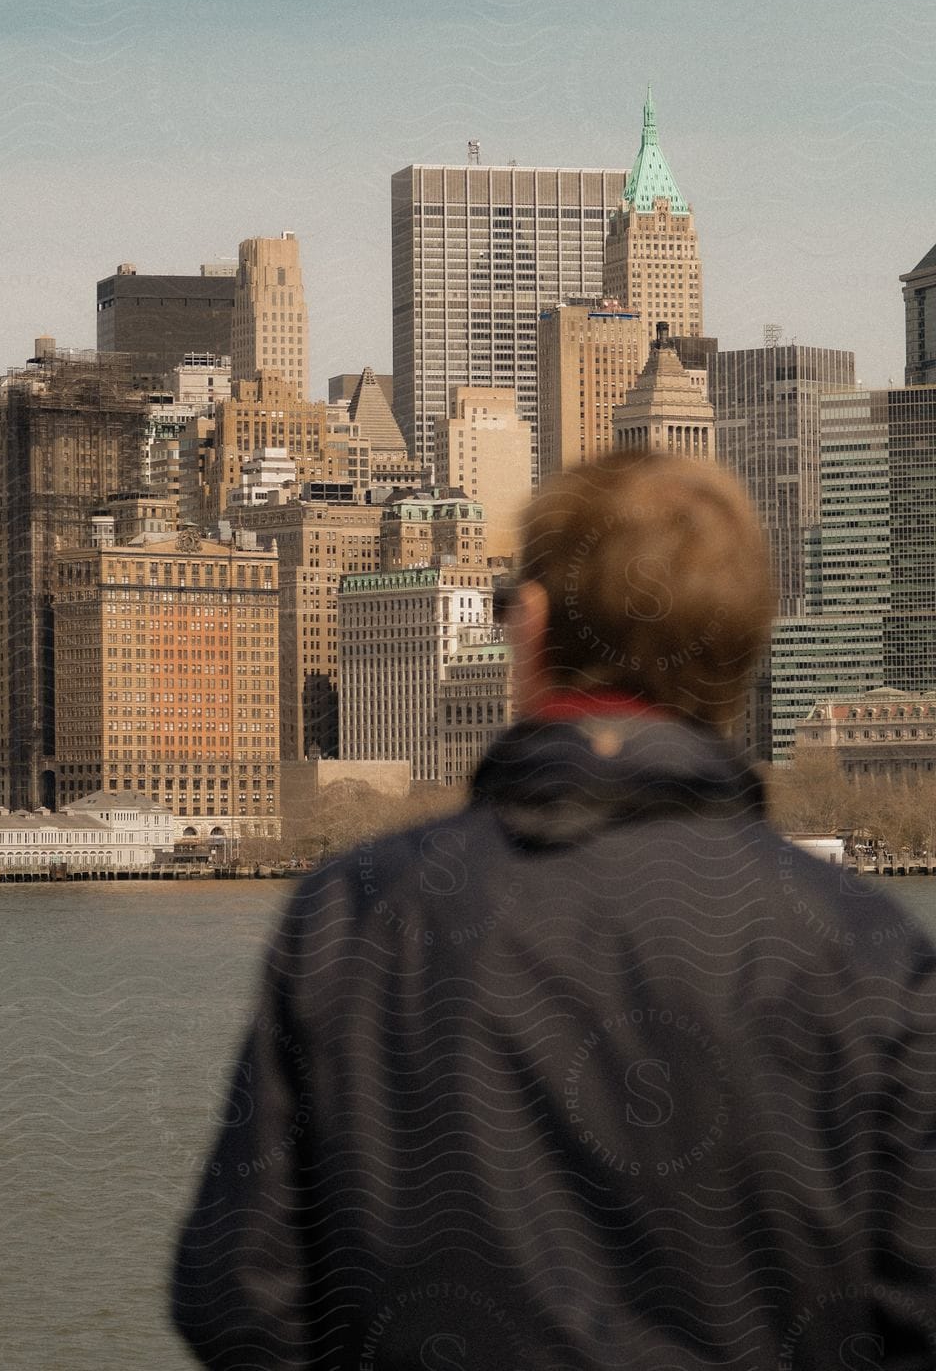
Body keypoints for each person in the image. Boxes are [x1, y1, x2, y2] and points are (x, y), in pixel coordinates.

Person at [172, 451, 936, 1369]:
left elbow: (239, 1299)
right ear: (741, 652)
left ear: (528, 628)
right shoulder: (871, 955)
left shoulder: (358, 918)